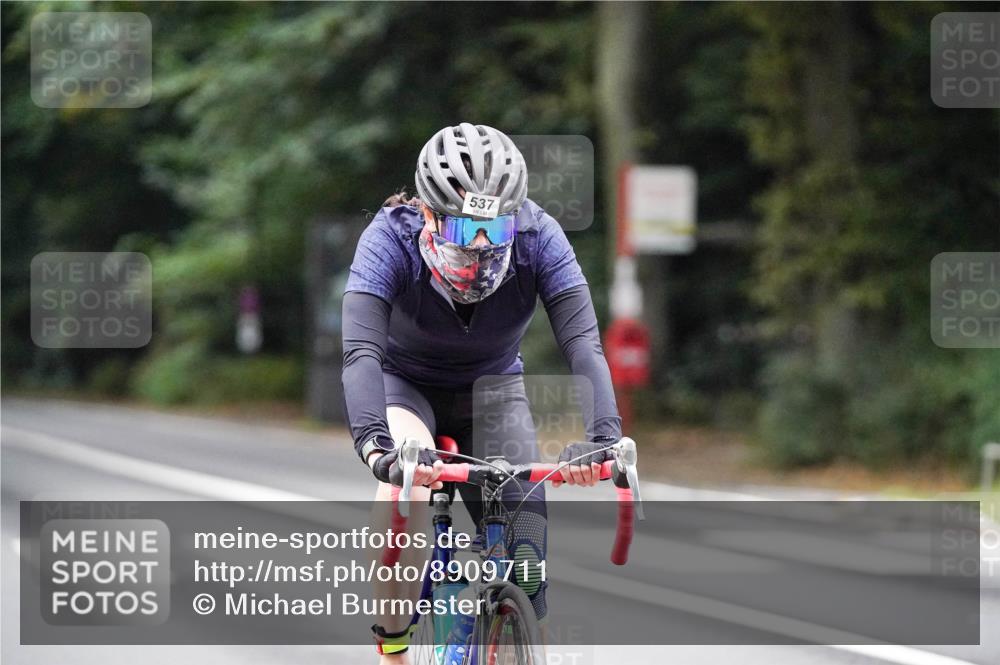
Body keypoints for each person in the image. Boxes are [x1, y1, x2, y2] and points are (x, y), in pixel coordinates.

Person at [342, 122, 624, 663]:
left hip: (493, 390)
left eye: (493, 231)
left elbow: (583, 341)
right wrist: (377, 448)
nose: (477, 247)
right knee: (407, 489)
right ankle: (394, 644)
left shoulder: (540, 236)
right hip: (406, 388)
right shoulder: (387, 238)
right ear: (428, 215)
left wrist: (603, 440)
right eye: (462, 230)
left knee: (527, 556)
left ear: (513, 219)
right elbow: (360, 355)